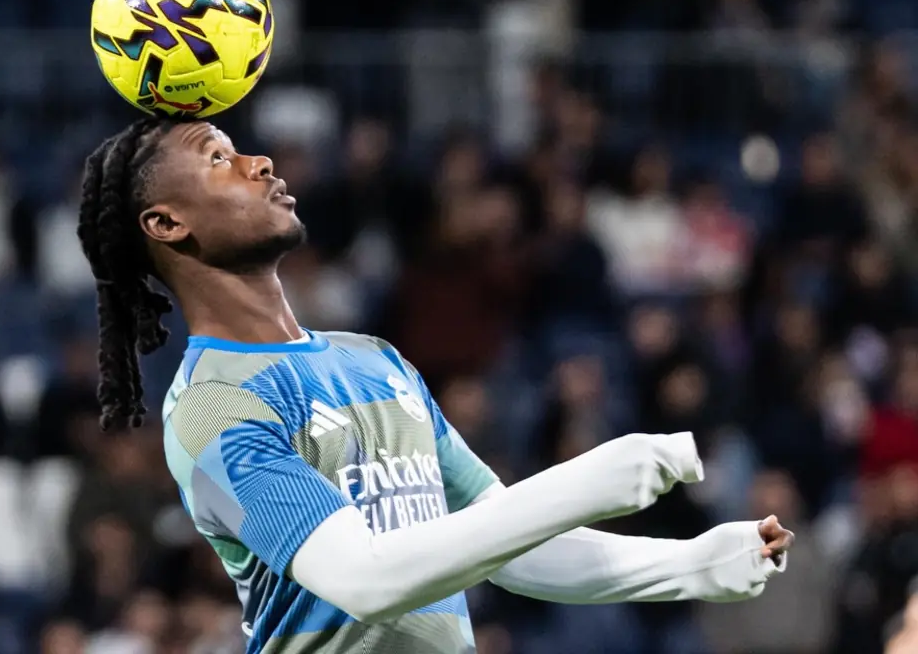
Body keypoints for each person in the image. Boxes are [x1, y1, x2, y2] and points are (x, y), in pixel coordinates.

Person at [74, 117, 795, 653]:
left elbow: (519, 548)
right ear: (166, 223)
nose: (259, 162)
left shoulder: (377, 361)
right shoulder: (211, 407)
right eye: (220, 160)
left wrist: (695, 562)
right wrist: (596, 478)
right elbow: (367, 579)